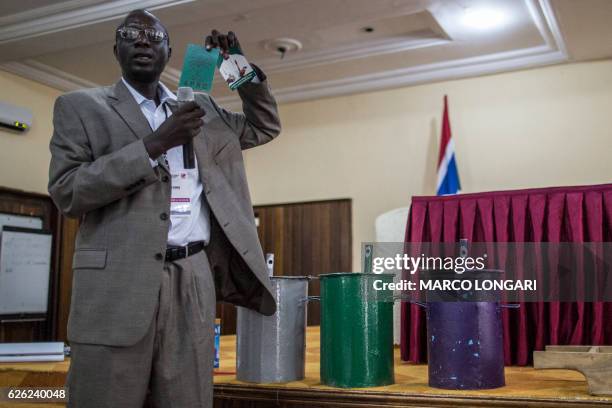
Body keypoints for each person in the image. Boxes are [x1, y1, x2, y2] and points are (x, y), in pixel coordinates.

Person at [48, 8, 280, 408]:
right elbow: (68, 190)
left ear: (169, 51)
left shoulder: (201, 108)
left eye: (153, 35)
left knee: (186, 398)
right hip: (117, 280)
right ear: (116, 48)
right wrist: (154, 144)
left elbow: (263, 127)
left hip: (192, 274)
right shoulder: (80, 107)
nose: (142, 40)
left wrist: (238, 69)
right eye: (131, 33)